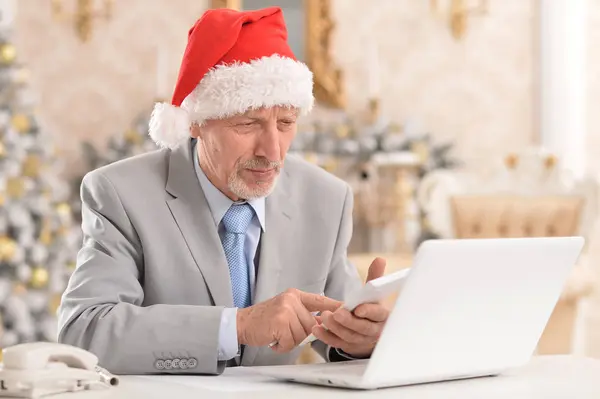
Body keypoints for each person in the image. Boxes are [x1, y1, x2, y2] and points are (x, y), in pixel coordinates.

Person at [57, 6, 389, 375]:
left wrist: (359, 340)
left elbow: (335, 329)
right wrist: (239, 326)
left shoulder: (327, 198)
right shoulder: (120, 194)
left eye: (286, 123)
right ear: (195, 123)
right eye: (248, 124)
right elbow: (84, 331)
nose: (273, 152)